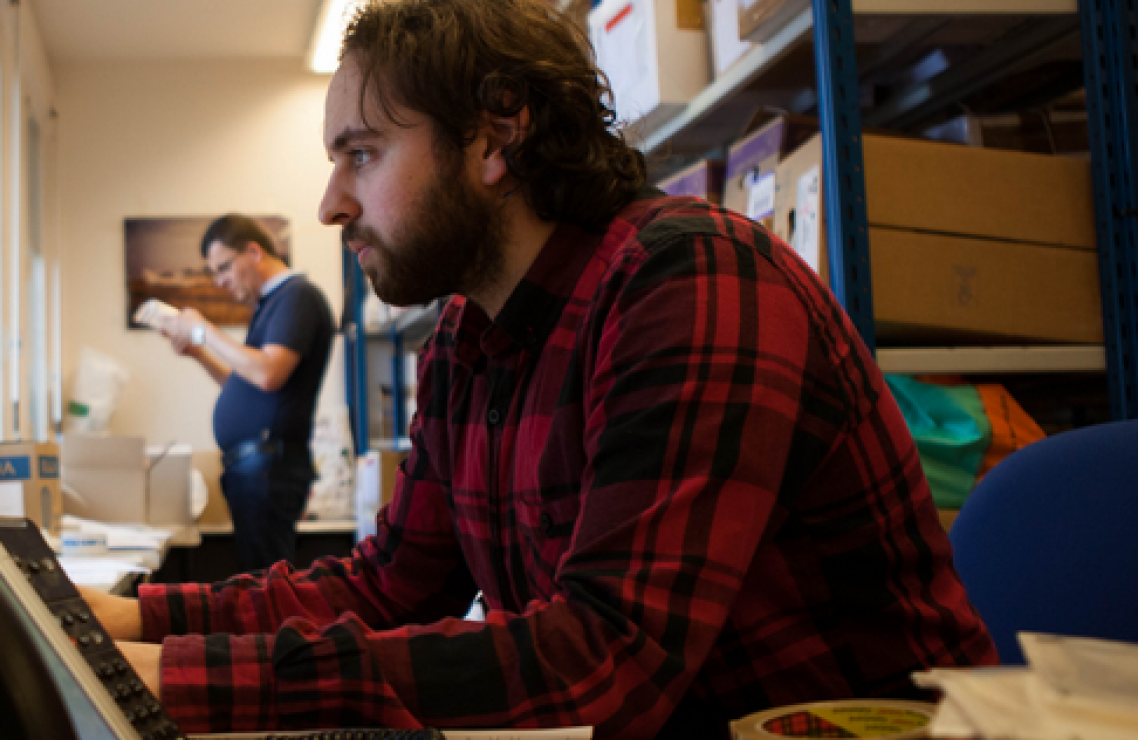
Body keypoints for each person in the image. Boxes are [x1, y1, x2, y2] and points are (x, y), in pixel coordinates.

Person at [86, 0, 998, 737]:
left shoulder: (690, 281)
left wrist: (177, 677)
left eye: (361, 154)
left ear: (495, 139)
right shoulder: (463, 340)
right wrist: (128, 621)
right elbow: (388, 585)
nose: (331, 203)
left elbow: (605, 657)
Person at [150, 214, 336, 572]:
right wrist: (198, 354)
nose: (220, 282)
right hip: (255, 467)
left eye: (223, 268)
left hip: (268, 467)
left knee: (267, 585)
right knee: (259, 580)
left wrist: (204, 330)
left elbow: (268, 373)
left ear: (253, 252)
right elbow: (247, 384)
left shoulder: (297, 296)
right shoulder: (271, 306)